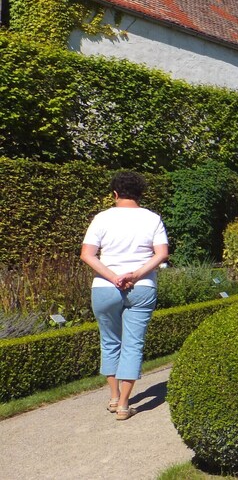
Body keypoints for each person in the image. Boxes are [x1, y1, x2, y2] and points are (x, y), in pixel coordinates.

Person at [80, 172, 168, 421]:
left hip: (104, 287)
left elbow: (87, 254)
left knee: (109, 342)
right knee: (133, 344)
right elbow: (161, 253)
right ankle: (124, 405)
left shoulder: (101, 218)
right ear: (140, 194)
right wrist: (137, 274)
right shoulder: (152, 219)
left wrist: (112, 276)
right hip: (142, 287)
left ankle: (114, 396)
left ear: (115, 194)